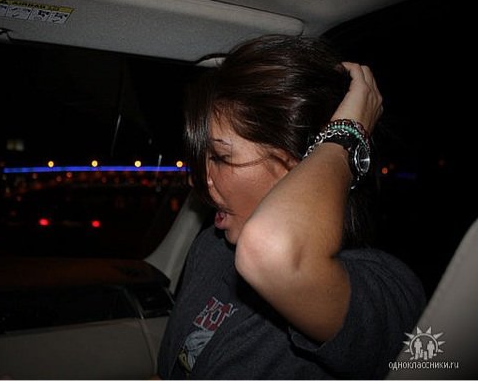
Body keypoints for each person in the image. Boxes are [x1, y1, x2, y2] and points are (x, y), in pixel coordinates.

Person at [156, 35, 425, 379]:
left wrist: (347, 136)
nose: (199, 182)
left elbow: (272, 251)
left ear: (304, 165)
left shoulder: (385, 291)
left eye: (221, 157)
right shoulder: (211, 249)